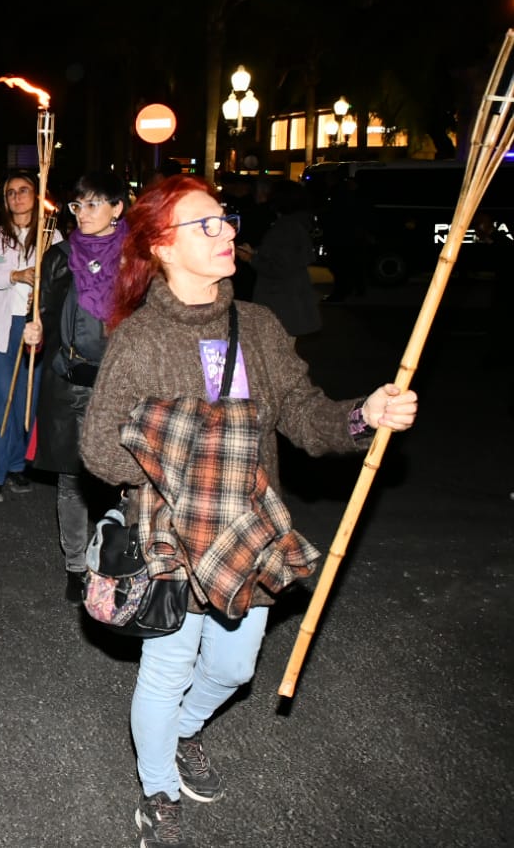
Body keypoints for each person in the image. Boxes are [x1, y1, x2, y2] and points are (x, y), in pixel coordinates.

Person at [79, 176, 417, 848]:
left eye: (225, 220)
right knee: (166, 668)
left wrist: (362, 414)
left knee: (233, 668)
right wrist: (185, 468)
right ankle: (157, 788)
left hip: (248, 534)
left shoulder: (257, 326)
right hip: (173, 536)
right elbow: (96, 448)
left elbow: (302, 414)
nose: (227, 233)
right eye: (204, 225)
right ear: (161, 249)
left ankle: (183, 731)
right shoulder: (139, 340)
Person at [20, 171, 128, 603]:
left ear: (117, 208)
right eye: (78, 205)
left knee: (120, 479)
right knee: (71, 479)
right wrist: (36, 331)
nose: (83, 213)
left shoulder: (137, 258)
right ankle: (76, 565)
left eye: (94, 204)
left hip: (117, 387)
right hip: (67, 381)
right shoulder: (59, 255)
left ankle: (117, 559)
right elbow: (42, 311)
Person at [0, 170, 61, 502]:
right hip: (0, 327)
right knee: (0, 402)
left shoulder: (51, 234)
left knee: (27, 401)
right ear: (5, 200)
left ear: (35, 196)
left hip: (34, 328)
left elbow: (62, 281)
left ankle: (16, 465)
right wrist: (14, 275)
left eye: (24, 191)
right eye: (11, 192)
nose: (17, 197)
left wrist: (43, 289)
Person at [243, 180, 320, 338]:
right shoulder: (296, 223)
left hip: (282, 300)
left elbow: (280, 266)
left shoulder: (286, 227)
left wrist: (251, 258)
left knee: (278, 350)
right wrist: (257, 253)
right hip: (291, 297)